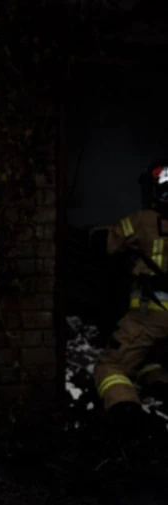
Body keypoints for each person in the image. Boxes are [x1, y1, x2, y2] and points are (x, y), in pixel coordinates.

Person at [91, 159, 168, 443]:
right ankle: (159, 384)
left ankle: (128, 421)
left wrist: (95, 234)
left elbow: (106, 242)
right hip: (158, 327)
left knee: (110, 367)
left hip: (151, 316)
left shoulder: (142, 221)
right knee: (150, 356)